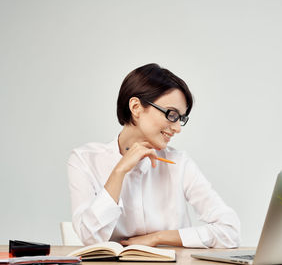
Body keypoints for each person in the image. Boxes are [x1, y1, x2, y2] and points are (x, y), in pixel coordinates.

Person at [67, 63, 240, 248]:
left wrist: (159, 237)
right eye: (172, 114)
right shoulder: (85, 160)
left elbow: (230, 231)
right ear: (136, 107)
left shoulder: (179, 163)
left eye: (181, 118)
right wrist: (119, 171)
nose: (177, 128)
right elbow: (89, 238)